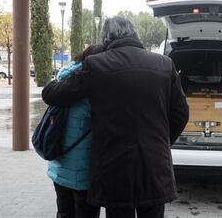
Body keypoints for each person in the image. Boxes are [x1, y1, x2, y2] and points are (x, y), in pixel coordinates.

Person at [42, 16, 189, 218]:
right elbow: (181, 114)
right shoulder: (165, 64)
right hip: (156, 165)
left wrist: (57, 78)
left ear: (106, 38)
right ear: (135, 34)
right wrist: (161, 142)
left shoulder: (96, 64)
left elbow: (53, 95)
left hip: (114, 168)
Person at [46, 45, 104, 218]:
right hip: (83, 173)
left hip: (59, 167)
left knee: (63, 213)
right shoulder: (90, 90)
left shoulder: (62, 81)